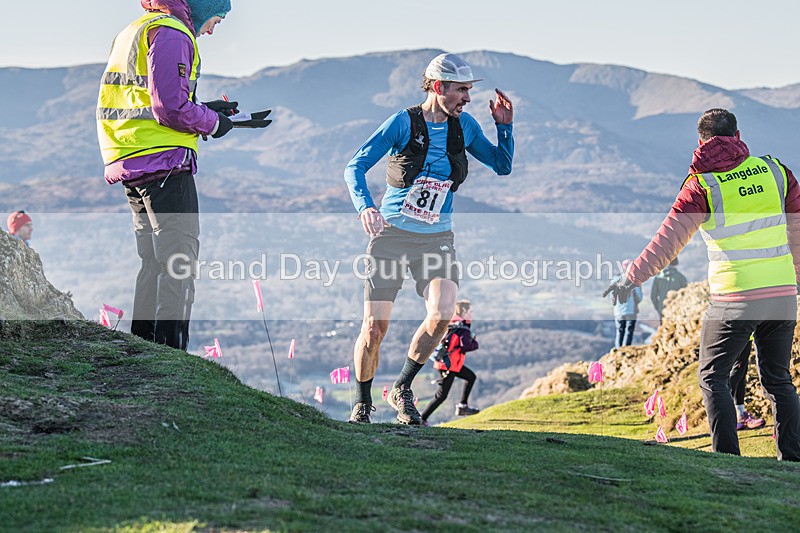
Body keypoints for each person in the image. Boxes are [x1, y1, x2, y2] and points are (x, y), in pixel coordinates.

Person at [603, 108, 800, 460]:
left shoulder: (702, 184)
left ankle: (726, 457)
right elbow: (798, 233)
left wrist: (630, 278)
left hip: (735, 297)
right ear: (738, 136)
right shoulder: (776, 171)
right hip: (783, 294)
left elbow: (668, 241)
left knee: (713, 377)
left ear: (701, 141)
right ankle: (794, 458)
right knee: (778, 381)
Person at [344, 53, 514, 424]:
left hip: (436, 238)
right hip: (391, 235)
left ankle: (402, 388)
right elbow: (354, 166)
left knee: (441, 315)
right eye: (461, 90)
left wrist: (504, 127)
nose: (467, 98)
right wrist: (365, 208)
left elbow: (502, 165)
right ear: (439, 88)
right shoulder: (402, 123)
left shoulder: (465, 126)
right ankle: (361, 402)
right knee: (374, 328)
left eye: (469, 90)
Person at [96, 0, 236, 350]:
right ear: (202, 7)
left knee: (154, 263)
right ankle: (173, 354)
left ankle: (142, 348)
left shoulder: (136, 29)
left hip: (131, 159)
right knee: (178, 262)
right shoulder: (173, 32)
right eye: (217, 19)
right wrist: (213, 123)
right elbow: (168, 108)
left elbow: (149, 97)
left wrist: (204, 110)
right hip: (164, 164)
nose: (213, 30)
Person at [421, 299, 481, 424]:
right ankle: (422, 419)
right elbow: (465, 346)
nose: (472, 314)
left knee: (471, 377)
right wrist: (475, 342)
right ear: (463, 311)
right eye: (471, 311)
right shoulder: (462, 328)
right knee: (441, 396)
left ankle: (463, 406)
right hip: (449, 366)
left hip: (447, 364)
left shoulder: (452, 323)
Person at [728, 338, 766, 430]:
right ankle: (726, 417)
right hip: (737, 331)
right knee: (737, 370)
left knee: (741, 373)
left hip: (746, 333)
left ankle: (739, 415)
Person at [613, 259, 642, 348]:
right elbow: (639, 297)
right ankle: (625, 350)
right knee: (629, 331)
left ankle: (617, 350)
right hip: (631, 310)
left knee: (619, 331)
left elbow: (612, 297)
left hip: (618, 311)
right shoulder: (634, 280)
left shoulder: (615, 280)